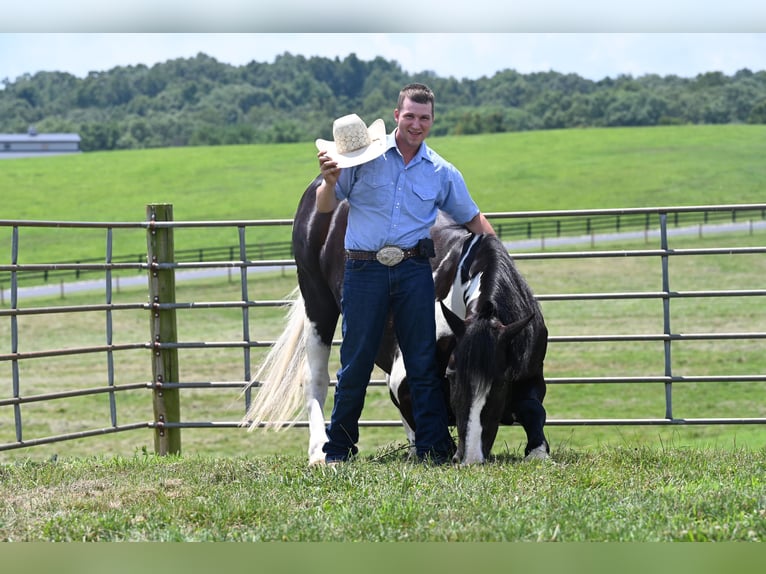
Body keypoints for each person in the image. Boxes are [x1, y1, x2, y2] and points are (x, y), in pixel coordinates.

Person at [315, 83, 495, 465]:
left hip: (416, 272)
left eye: (424, 118)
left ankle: (433, 449)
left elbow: (472, 218)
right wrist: (329, 182)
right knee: (356, 363)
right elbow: (326, 205)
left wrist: (501, 260)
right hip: (363, 270)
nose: (416, 124)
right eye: (410, 116)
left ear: (432, 121)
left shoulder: (442, 172)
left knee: (422, 361)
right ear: (397, 116)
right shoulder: (362, 159)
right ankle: (338, 451)